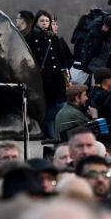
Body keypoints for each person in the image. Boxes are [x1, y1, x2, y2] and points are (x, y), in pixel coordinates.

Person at [25, 10, 73, 138]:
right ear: (36, 22)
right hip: (42, 81)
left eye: (47, 21)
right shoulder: (30, 38)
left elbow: (64, 57)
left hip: (57, 80)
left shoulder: (54, 38)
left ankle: (59, 139)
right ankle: (51, 140)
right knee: (49, 114)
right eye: (42, 21)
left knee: (61, 110)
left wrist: (64, 69)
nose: (45, 23)